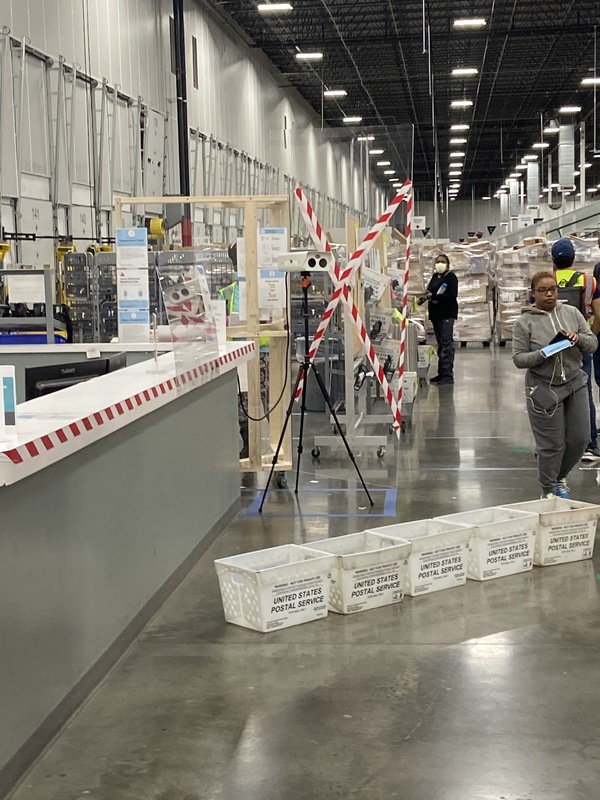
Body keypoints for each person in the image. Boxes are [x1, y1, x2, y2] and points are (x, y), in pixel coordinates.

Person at [512, 270, 597, 499]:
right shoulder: (524, 322)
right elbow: (519, 358)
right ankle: (549, 489)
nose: (549, 294)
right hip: (543, 387)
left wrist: (578, 338)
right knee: (552, 445)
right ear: (533, 294)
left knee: (580, 439)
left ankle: (559, 475)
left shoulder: (572, 313)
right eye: (542, 291)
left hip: (574, 382)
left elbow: (593, 343)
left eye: (552, 290)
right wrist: (542, 354)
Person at [551, 237, 600, 462]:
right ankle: (590, 444)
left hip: (554, 344)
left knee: (551, 391)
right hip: (580, 343)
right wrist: (590, 336)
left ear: (553, 260)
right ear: (574, 257)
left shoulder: (546, 281)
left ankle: (555, 443)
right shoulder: (588, 281)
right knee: (584, 392)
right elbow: (599, 314)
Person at [419, 252, 458, 385]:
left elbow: (451, 296)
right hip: (436, 315)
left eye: (442, 262)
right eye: (438, 262)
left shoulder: (451, 277)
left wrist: (433, 297)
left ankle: (448, 375)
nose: (440, 264)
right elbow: (430, 292)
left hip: (446, 314)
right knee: (441, 344)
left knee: (447, 344)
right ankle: (442, 373)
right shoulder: (435, 276)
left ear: (447, 264)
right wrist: (423, 298)